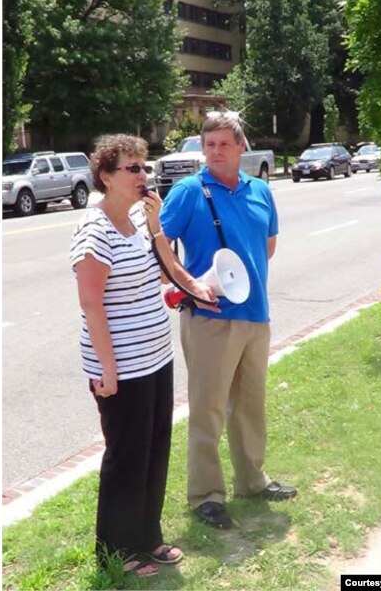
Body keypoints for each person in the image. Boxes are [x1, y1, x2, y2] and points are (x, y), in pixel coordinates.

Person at [69, 134, 214, 577]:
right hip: (121, 365)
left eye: (144, 167)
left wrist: (191, 280)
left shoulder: (138, 218)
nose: (144, 176)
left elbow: (166, 263)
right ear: (106, 177)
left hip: (155, 355)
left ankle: (148, 537)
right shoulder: (94, 231)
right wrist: (108, 371)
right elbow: (91, 304)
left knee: (154, 448)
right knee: (126, 454)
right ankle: (116, 549)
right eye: (133, 169)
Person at [159, 114, 298, 530]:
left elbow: (267, 246)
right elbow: (159, 244)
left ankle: (252, 481)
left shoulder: (260, 191)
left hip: (256, 314)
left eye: (223, 144)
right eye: (209, 144)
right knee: (209, 409)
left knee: (250, 405)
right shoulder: (188, 192)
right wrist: (189, 283)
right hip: (210, 318)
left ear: (241, 147)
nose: (215, 151)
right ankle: (206, 495)